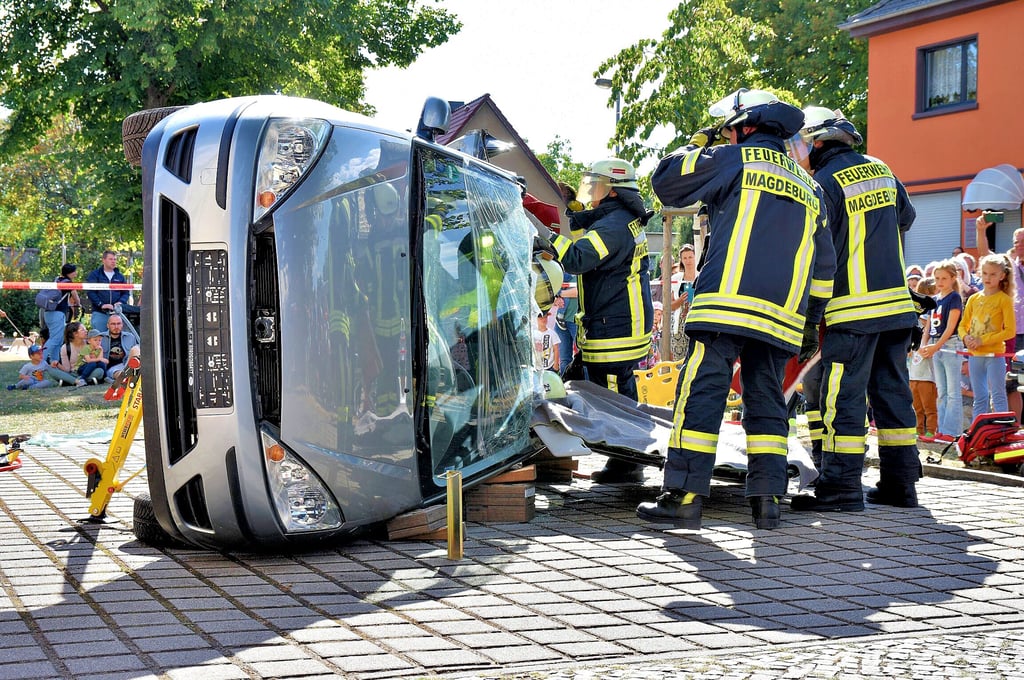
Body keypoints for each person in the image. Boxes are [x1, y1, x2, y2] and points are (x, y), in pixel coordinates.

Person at [637, 88, 835, 530]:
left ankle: (684, 497)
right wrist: (809, 324)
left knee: (702, 395)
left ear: (745, 127)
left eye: (729, 130)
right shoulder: (812, 188)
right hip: (783, 316)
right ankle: (768, 500)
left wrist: (701, 142)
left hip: (725, 304)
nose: (726, 136)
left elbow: (665, 180)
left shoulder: (735, 159)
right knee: (767, 403)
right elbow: (825, 268)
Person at [787, 106, 922, 512]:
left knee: (842, 400)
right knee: (893, 396)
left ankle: (841, 488)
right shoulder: (883, 170)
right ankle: (901, 485)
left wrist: (809, 316)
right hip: (896, 310)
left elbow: (817, 251)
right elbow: (906, 218)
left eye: (802, 145)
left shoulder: (822, 184)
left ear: (817, 143)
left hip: (851, 313)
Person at [542, 158, 654, 484]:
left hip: (616, 325)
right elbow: (590, 236)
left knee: (616, 396)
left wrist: (546, 238)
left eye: (597, 186)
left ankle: (627, 463)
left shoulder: (615, 226)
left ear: (614, 190)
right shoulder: (620, 219)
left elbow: (579, 257)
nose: (591, 192)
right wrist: (575, 211)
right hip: (617, 320)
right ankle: (623, 458)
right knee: (612, 390)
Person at [960, 253, 1016, 421]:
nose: (988, 278)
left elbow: (1010, 331)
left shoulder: (1004, 300)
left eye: (992, 274)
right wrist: (966, 338)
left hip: (995, 355)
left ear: (1002, 276)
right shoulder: (973, 299)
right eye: (984, 273)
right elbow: (962, 326)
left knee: (998, 394)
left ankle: (1002, 428)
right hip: (975, 355)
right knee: (980, 396)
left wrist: (982, 340)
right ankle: (977, 430)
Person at [918, 260, 964, 442]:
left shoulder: (954, 298)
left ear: (953, 278)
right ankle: (942, 429)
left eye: (944, 278)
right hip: (935, 345)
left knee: (953, 391)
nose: (940, 282)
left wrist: (935, 347)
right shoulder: (935, 300)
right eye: (937, 278)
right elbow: (928, 327)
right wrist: (924, 345)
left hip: (950, 345)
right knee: (941, 391)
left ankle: (951, 431)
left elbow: (951, 327)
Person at [909, 277, 938, 441]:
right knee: (916, 407)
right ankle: (918, 429)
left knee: (929, 406)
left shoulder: (930, 326)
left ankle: (931, 431)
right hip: (913, 376)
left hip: (927, 376)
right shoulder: (914, 323)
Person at [41, 263, 80, 366]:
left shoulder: (57, 280)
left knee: (58, 340)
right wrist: (78, 304)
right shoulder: (68, 283)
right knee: (55, 339)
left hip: (48, 312)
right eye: (74, 271)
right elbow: (76, 297)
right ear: (70, 273)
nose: (76, 273)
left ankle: (55, 362)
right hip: (57, 314)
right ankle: (40, 361)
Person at [85, 250, 131, 332]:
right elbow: (90, 292)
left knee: (118, 337)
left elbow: (126, 292)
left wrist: (121, 302)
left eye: (115, 259)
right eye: (111, 259)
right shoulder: (95, 275)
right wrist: (101, 304)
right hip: (100, 313)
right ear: (103, 260)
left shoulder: (120, 276)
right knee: (100, 337)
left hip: (117, 314)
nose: (113, 261)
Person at [46, 321, 92, 386]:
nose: (86, 331)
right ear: (75, 334)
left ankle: (69, 380)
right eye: (83, 330)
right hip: (73, 373)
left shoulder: (90, 343)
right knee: (50, 369)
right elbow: (67, 369)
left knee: (99, 371)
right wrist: (57, 364)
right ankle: (77, 381)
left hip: (88, 371)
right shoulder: (65, 348)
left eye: (85, 329)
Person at [100, 313, 140, 382]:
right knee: (119, 373)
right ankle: (126, 377)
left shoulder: (130, 337)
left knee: (136, 349)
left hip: (128, 364)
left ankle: (130, 375)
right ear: (108, 325)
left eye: (118, 324)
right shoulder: (101, 338)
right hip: (112, 368)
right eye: (113, 324)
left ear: (122, 325)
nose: (116, 326)